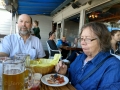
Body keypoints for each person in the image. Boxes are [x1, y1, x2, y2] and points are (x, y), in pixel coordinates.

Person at [55, 22, 120, 90]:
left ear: (102, 40)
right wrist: (65, 72)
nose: (82, 43)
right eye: (82, 38)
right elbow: (71, 76)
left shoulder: (113, 66)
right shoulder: (80, 57)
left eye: (87, 39)